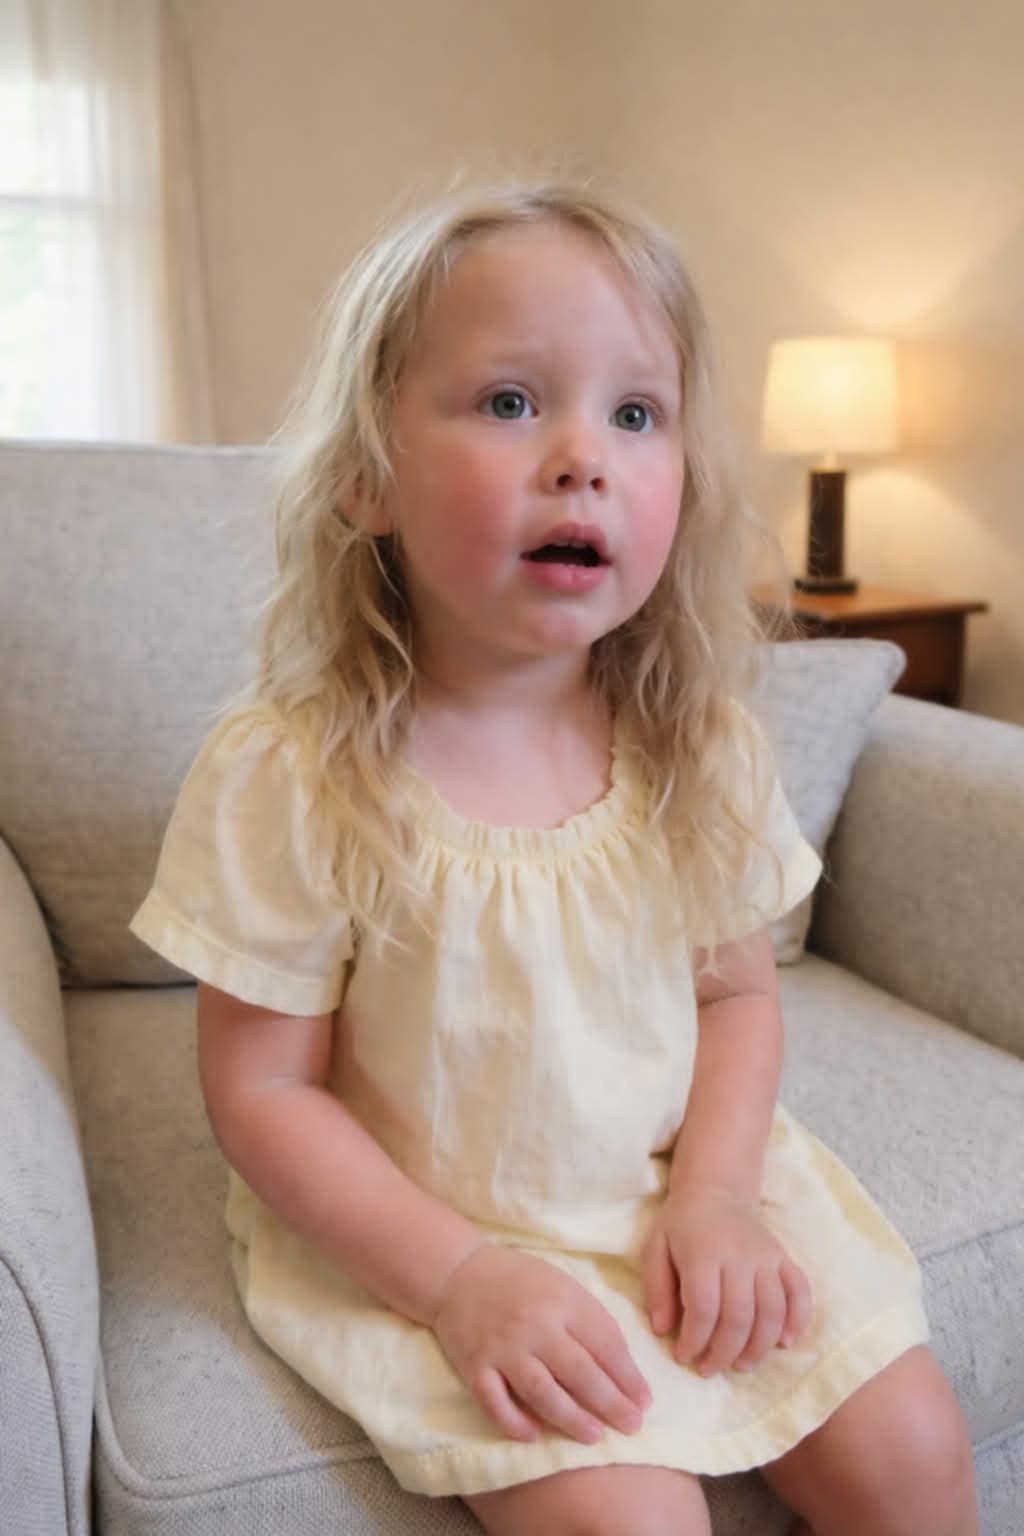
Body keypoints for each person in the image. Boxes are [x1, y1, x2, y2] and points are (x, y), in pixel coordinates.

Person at [130, 179, 977, 1536]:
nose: (584, 455)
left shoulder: (699, 741)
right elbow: (265, 1091)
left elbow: (734, 997)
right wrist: (458, 1281)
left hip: (680, 1182)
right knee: (628, 1522)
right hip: (438, 1225)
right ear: (365, 476)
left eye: (636, 415)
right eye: (512, 401)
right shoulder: (294, 772)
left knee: (918, 1457)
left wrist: (717, 1198)